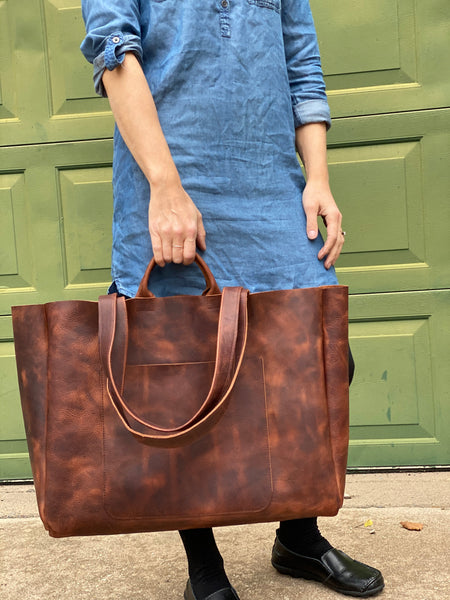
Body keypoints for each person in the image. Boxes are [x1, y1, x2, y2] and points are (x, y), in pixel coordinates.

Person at [80, 2, 384, 599]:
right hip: (170, 182)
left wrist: (317, 177)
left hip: (270, 184)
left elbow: (302, 66)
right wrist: (165, 187)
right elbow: (115, 56)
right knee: (181, 382)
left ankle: (298, 535)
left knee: (319, 361)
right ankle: (205, 570)